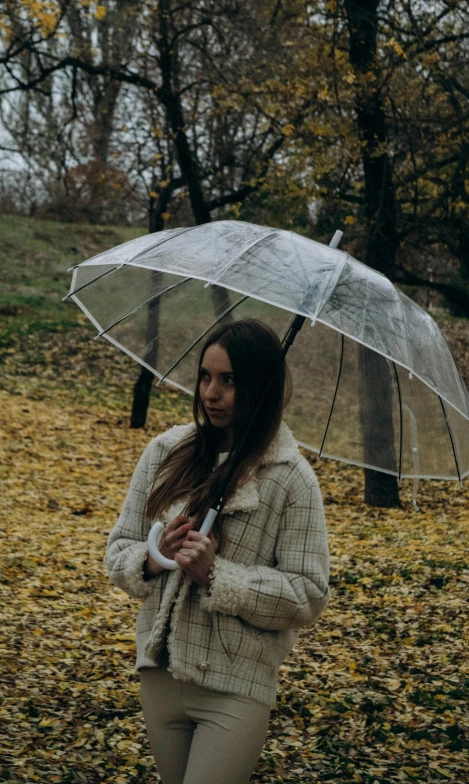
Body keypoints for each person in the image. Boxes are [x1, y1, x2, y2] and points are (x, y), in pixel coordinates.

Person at [104, 318, 330, 784]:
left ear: (260, 385)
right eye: (205, 376)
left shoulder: (290, 478)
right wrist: (153, 556)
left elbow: (308, 594)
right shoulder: (166, 452)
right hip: (161, 673)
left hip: (235, 686)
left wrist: (217, 576)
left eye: (229, 380)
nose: (211, 392)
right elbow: (118, 550)